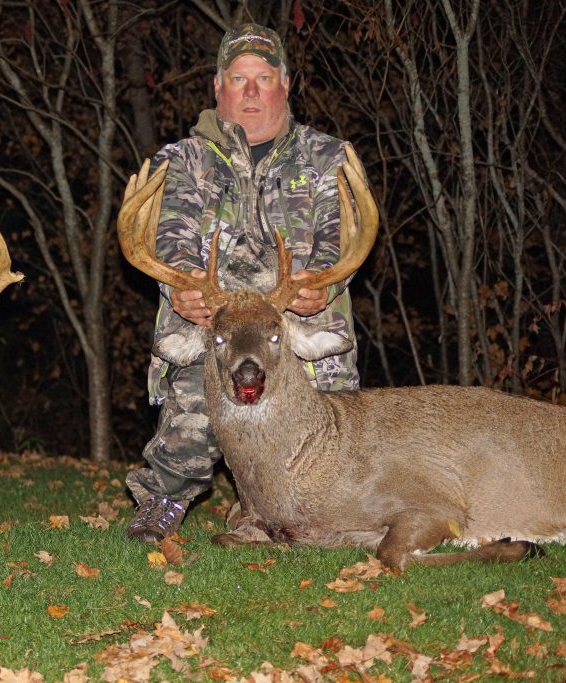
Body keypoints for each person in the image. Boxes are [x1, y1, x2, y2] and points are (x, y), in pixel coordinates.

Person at [125, 24, 361, 543]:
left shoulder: (328, 159)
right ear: (218, 86)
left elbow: (343, 238)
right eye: (239, 79)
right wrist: (182, 289)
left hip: (301, 333)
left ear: (286, 83)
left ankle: (293, 511)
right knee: (201, 393)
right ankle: (165, 497)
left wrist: (321, 283)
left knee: (330, 453)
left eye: (264, 77)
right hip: (219, 331)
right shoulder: (182, 162)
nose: (251, 92)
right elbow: (170, 240)